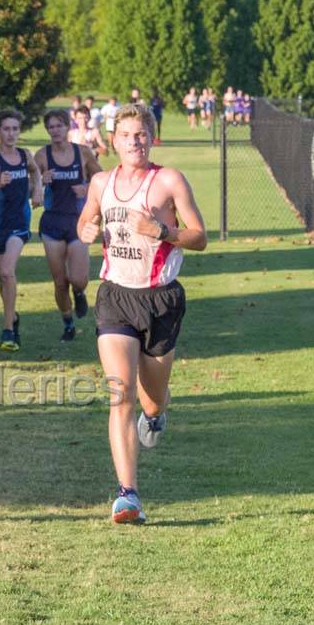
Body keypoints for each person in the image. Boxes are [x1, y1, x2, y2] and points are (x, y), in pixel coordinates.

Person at [75, 103, 207, 523]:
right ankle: (127, 494)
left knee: (150, 400)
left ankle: (157, 415)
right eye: (127, 135)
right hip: (115, 296)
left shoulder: (168, 180)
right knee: (121, 395)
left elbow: (200, 236)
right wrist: (87, 231)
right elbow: (84, 223)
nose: (134, 142)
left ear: (152, 138)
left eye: (141, 134)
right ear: (113, 140)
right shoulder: (100, 182)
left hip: (160, 299)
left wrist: (163, 232)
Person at [0, 107, 42, 351]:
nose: (11, 134)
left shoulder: (25, 155)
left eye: (15, 129)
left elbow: (36, 173)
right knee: (4, 281)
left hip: (18, 225)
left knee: (6, 272)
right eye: (6, 129)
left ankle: (8, 331)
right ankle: (12, 316)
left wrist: (38, 190)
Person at [37, 110, 101, 341]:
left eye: (59, 126)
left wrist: (87, 188)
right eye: (51, 127)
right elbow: (29, 189)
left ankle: (80, 292)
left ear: (67, 127)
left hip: (78, 221)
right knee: (59, 281)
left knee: (78, 278)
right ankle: (68, 324)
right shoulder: (42, 156)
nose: (55, 130)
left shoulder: (82, 152)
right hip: (52, 222)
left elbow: (101, 179)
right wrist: (40, 181)